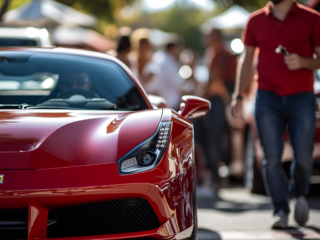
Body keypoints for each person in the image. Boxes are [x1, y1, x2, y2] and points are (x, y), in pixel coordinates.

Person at [232, 0, 320, 229]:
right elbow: (246, 59)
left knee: (303, 155)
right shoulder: (255, 20)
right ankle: (280, 209)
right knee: (271, 157)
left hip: (302, 97)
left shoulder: (312, 18)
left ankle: (299, 193)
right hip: (267, 98)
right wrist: (238, 96)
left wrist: (303, 61)